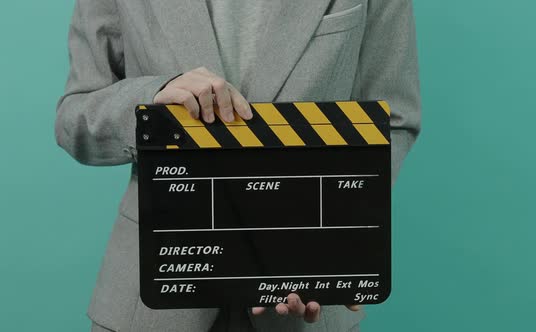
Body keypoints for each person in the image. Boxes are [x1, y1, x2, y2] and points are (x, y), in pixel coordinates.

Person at [55, 0, 421, 331]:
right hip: (154, 295)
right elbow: (74, 118)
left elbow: (394, 119)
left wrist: (331, 237)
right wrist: (151, 104)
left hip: (302, 300)